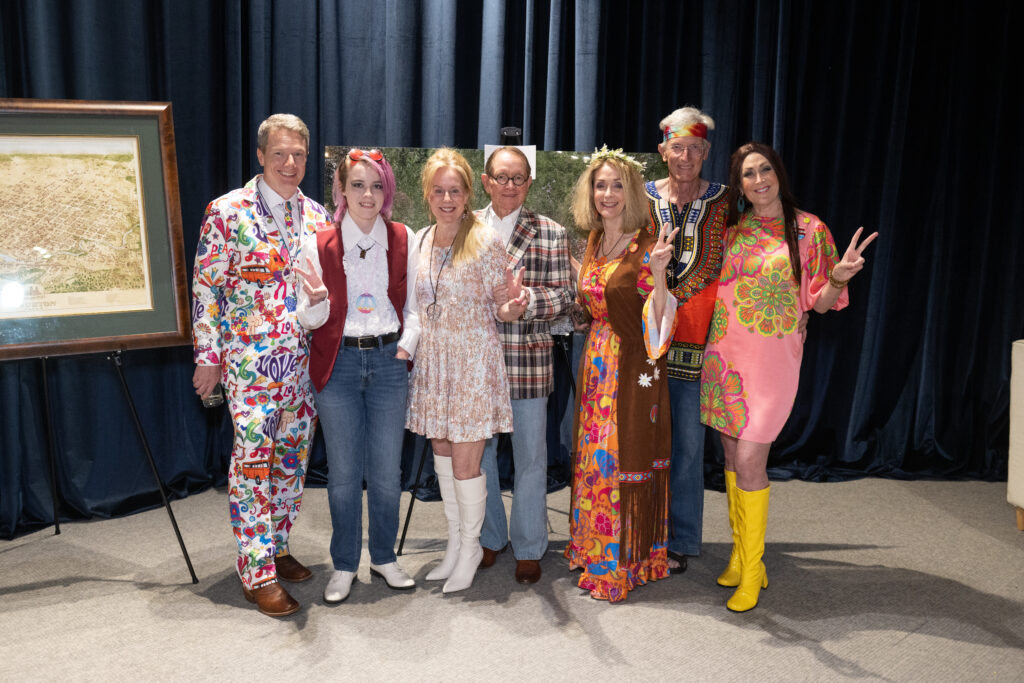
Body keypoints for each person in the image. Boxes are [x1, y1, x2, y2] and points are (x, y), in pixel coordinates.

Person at [700, 142, 877, 612]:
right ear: (739, 186)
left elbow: (819, 303)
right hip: (725, 356)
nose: (758, 180)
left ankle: (754, 571)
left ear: (778, 172)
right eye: (747, 175)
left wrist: (838, 277)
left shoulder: (810, 229)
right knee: (732, 455)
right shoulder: (732, 230)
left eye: (764, 170)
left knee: (753, 458)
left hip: (773, 361)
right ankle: (741, 556)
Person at [191, 113, 331, 617]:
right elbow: (207, 288)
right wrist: (207, 356)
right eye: (280, 154)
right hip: (249, 367)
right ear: (260, 156)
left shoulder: (318, 217)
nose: (289, 163)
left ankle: (277, 544)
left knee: (292, 462)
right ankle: (256, 571)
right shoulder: (227, 211)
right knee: (253, 464)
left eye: (298, 154)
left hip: (303, 367)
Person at [294, 149, 419, 605]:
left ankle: (384, 558)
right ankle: (345, 563)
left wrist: (408, 347)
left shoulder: (404, 238)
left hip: (389, 362)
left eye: (377, 185)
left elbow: (415, 308)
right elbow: (308, 319)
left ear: (386, 192)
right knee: (344, 474)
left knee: (387, 471)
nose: (368, 194)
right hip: (339, 365)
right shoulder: (319, 242)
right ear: (342, 190)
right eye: (359, 185)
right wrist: (318, 301)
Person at [404, 147, 523, 594]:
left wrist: (514, 305)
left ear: (469, 192)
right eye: (439, 190)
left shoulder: (486, 239)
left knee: (468, 463)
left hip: (473, 362)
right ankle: (455, 544)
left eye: (455, 190)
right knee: (442, 453)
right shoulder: (419, 238)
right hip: (435, 362)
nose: (447, 198)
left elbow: (504, 307)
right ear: (428, 194)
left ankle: (472, 547)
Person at [565, 146, 679, 602]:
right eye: (599, 184)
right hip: (595, 365)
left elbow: (662, 318)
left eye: (617, 185)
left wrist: (660, 274)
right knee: (595, 458)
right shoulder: (594, 240)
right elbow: (596, 300)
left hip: (633, 368)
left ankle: (620, 563)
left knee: (619, 457)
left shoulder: (649, 244)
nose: (607, 194)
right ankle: (592, 549)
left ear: (631, 192)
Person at [475, 146, 575, 585]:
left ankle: (530, 545)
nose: (509, 186)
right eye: (502, 177)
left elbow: (566, 298)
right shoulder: (464, 227)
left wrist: (528, 301)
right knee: (480, 457)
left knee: (531, 459)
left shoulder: (551, 232)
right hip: (475, 365)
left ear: (529, 182)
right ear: (486, 181)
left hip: (528, 363)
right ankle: (489, 538)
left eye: (518, 178)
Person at [643, 106, 729, 574]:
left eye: (695, 148)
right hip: (645, 343)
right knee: (642, 441)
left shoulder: (725, 200)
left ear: (706, 152)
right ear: (663, 151)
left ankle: (681, 539)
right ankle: (641, 531)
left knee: (689, 448)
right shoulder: (639, 197)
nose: (686, 156)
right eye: (678, 147)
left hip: (700, 347)